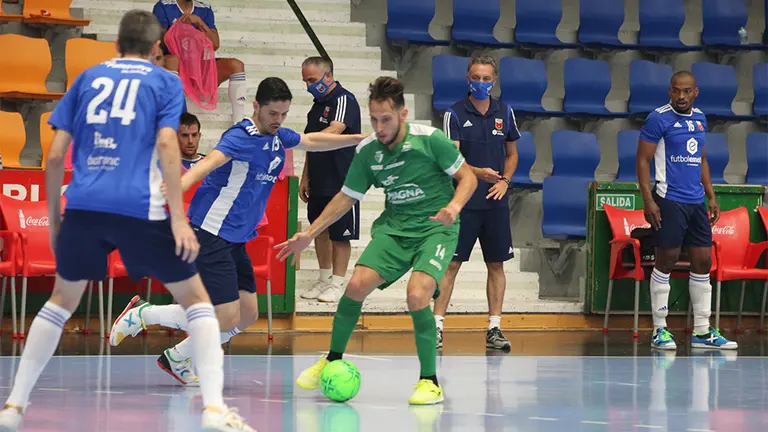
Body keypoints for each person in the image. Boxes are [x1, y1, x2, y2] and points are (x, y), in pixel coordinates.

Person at [0, 10, 254, 432]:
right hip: (140, 206)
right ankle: (213, 410)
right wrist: (177, 217)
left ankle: (14, 406)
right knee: (199, 305)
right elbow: (169, 147)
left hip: (85, 204)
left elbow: (58, 151)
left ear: (117, 44)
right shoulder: (164, 82)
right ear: (157, 48)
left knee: (59, 303)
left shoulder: (87, 78)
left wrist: (55, 217)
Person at [109, 77, 369, 386]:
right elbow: (208, 165)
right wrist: (177, 187)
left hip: (236, 238)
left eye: (284, 114)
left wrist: (361, 139)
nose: (278, 120)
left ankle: (178, 358)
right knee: (226, 316)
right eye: (273, 113)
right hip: (210, 232)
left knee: (246, 315)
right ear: (257, 106)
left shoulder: (278, 137)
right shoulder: (239, 136)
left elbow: (311, 141)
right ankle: (144, 314)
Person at [276, 76, 478, 405]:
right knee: (355, 286)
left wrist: (454, 206)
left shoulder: (431, 140)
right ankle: (332, 357)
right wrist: (309, 234)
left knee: (417, 294)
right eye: (373, 119)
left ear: (403, 114)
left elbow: (467, 177)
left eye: (385, 119)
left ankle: (429, 381)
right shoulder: (369, 151)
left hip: (436, 227)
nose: (379, 127)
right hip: (395, 228)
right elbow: (346, 197)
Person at [636, 70, 737, 351]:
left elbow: (701, 159)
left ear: (696, 92)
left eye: (687, 91)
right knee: (666, 259)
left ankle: (702, 332)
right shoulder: (658, 118)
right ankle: (659, 329)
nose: (681, 96)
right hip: (669, 199)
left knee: (703, 261)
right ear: (670, 91)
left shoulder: (700, 119)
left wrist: (712, 196)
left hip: (695, 201)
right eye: (676, 91)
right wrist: (648, 199)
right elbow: (643, 160)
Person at [434, 55, 519, 351]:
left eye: (486, 78)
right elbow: (450, 159)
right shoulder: (454, 114)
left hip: (495, 202)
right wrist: (478, 173)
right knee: (452, 264)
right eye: (476, 77)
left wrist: (504, 181)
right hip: (464, 202)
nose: (481, 83)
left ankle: (494, 329)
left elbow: (512, 155)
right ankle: (436, 328)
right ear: (467, 79)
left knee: (496, 264)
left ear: (494, 81)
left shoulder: (505, 112)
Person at [298, 56, 362, 303]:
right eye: (305, 81)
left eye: (312, 80)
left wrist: (301, 141)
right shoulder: (316, 106)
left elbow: (335, 131)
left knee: (340, 234)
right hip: (319, 177)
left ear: (328, 75)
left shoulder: (344, 99)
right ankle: (323, 279)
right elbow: (311, 143)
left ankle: (337, 282)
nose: (308, 86)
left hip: (342, 179)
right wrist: (306, 175)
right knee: (319, 229)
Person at [152, 0, 248, 125]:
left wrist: (199, 22)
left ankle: (238, 123)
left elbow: (215, 44)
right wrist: (181, 29)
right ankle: (174, 117)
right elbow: (159, 41)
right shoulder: (163, 6)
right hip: (176, 66)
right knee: (173, 60)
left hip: (199, 67)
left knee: (236, 65)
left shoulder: (204, 9)